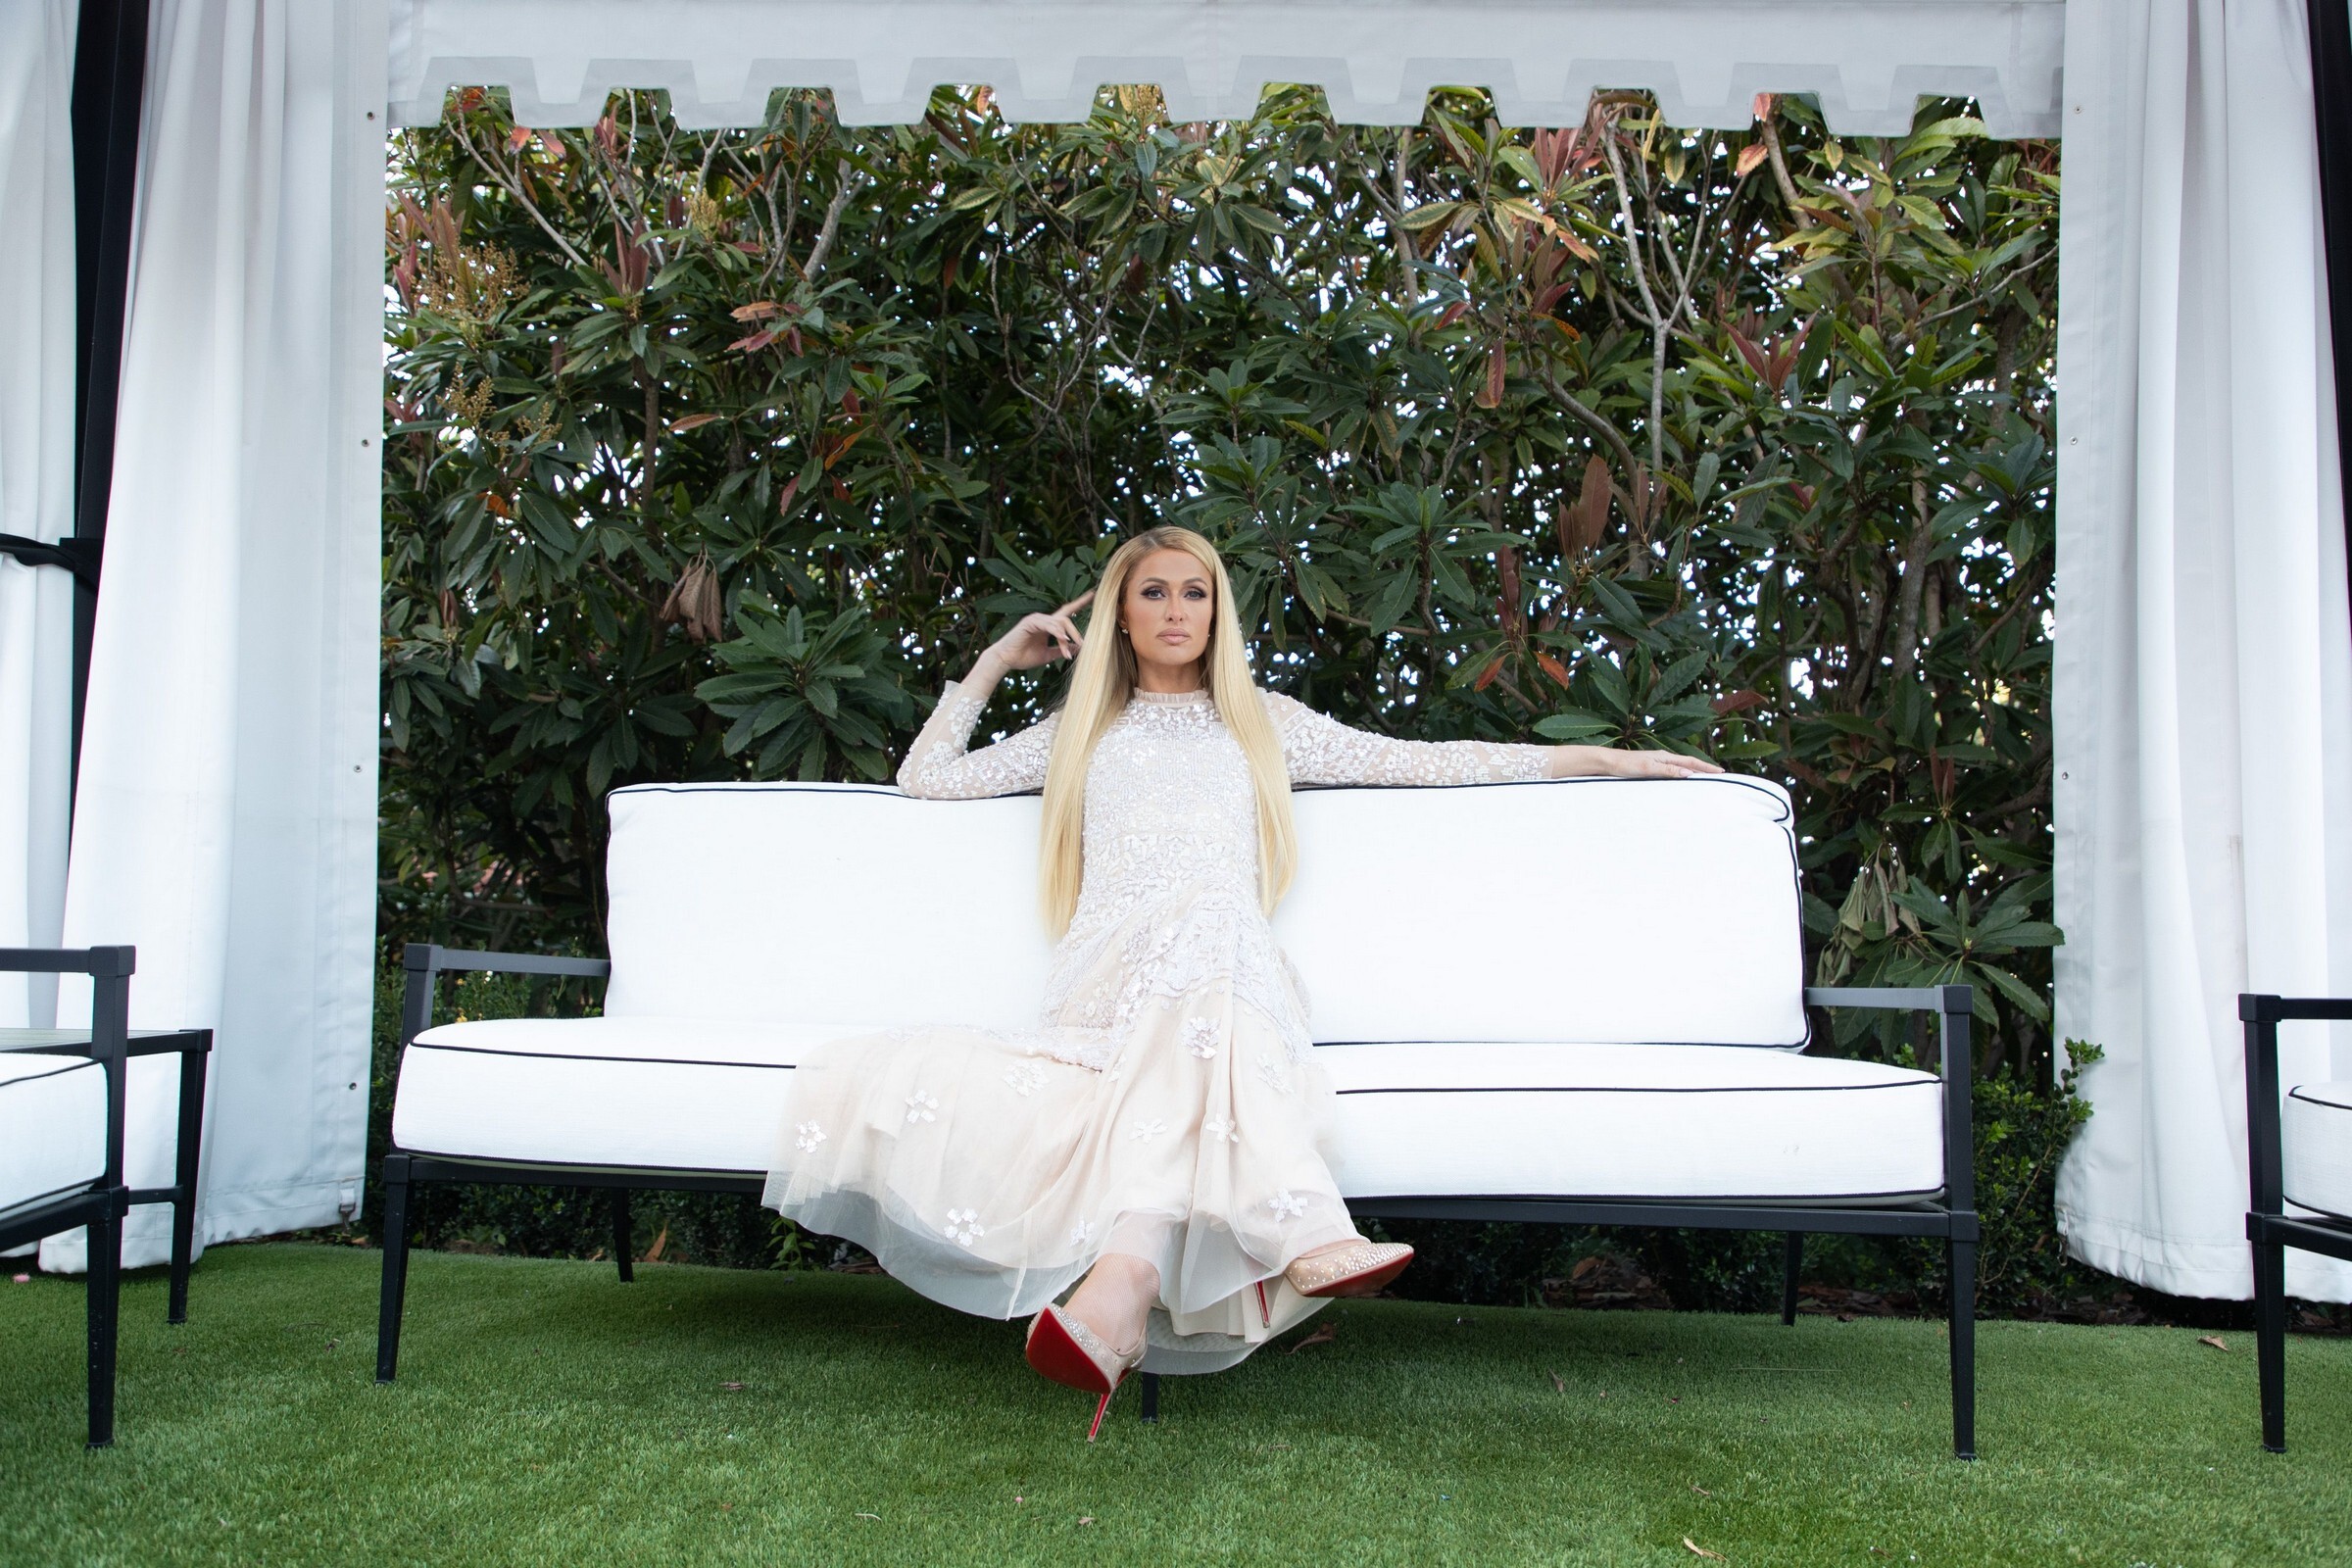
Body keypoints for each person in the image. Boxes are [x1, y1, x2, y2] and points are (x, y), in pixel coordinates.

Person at [761, 525, 1720, 1435]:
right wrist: (993, 664)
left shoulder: (1266, 724)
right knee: (1215, 918)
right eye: (1153, 592)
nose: (1177, 610)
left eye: (1196, 592)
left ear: (1218, 612)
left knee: (1219, 915)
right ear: (1120, 616)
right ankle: (1301, 1224)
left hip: (1231, 984)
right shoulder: (1080, 731)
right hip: (1108, 987)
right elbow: (928, 777)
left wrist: (1599, 757)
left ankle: (1123, 1279)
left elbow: (1423, 763)